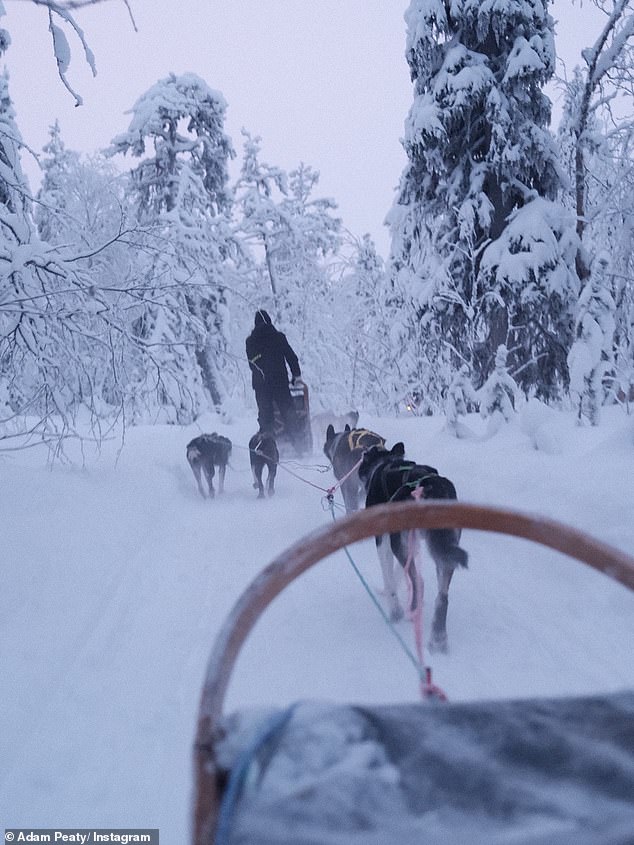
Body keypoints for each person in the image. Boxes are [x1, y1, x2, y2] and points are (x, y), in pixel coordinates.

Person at [245, 309, 302, 442]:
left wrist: (261, 362)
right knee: (288, 412)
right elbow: (291, 357)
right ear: (269, 321)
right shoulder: (278, 337)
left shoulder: (250, 342)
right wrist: (296, 375)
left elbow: (252, 364)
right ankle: (299, 445)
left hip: (261, 385)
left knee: (266, 418)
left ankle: (269, 446)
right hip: (280, 381)